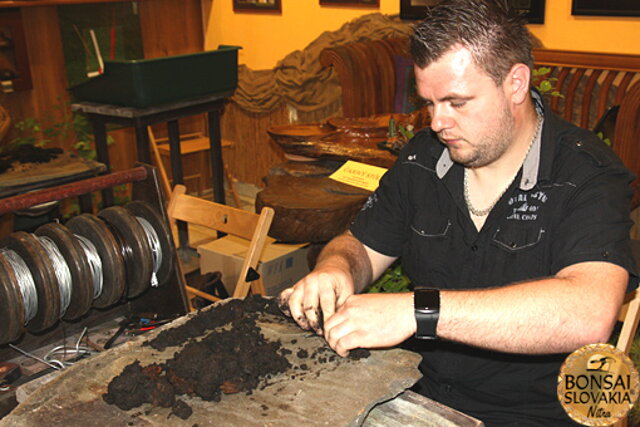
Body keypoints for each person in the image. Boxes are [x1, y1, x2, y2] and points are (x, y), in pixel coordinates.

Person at [278, 0, 638, 424]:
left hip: (535, 413)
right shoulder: (423, 160)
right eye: (430, 103)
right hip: (416, 395)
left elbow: (588, 313)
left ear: (516, 84)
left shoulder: (584, 173)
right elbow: (361, 244)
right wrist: (337, 269)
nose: (436, 122)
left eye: (456, 102)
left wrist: (417, 311)